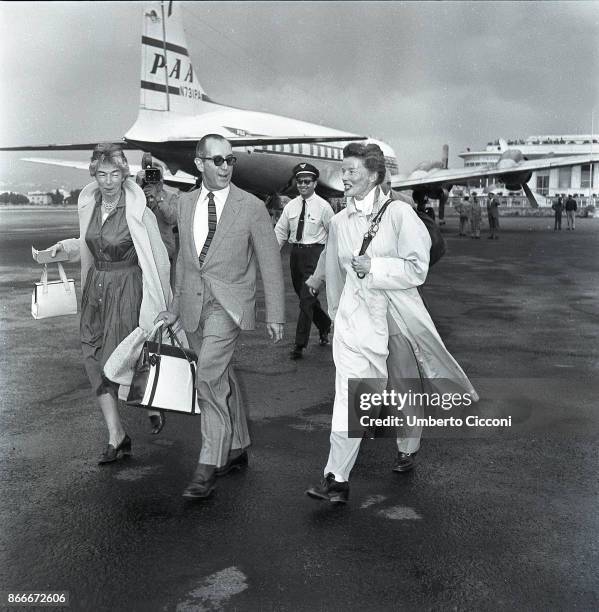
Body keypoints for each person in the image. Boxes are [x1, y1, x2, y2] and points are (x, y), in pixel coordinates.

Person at [304, 143, 477, 503]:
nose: (344, 176)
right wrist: (337, 312)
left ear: (374, 175)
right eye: (343, 169)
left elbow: (417, 267)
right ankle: (336, 478)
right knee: (350, 397)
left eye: (352, 170)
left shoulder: (399, 213)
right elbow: (335, 269)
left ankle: (407, 446)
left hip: (395, 315)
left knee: (403, 384)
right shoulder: (338, 222)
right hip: (357, 320)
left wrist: (377, 268)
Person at [156, 134, 285, 500]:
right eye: (218, 161)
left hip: (228, 305)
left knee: (209, 376)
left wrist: (275, 313)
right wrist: (176, 307)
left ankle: (207, 465)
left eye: (230, 160)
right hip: (194, 305)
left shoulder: (251, 206)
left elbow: (270, 261)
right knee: (222, 372)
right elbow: (183, 261)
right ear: (199, 163)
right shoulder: (185, 203)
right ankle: (239, 444)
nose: (226, 167)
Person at [48, 143, 174, 463]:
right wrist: (60, 248)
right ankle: (116, 435)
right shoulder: (90, 206)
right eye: (101, 173)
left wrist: (161, 302)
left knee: (117, 358)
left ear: (124, 174)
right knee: (92, 358)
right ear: (94, 174)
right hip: (96, 290)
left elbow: (158, 258)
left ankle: (150, 400)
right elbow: (90, 243)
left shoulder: (138, 211)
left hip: (127, 287)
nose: (107, 181)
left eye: (115, 173)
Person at [274, 163, 334, 360]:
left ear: (315, 183)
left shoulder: (324, 207)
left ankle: (299, 345)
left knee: (307, 299)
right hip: (296, 256)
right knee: (305, 298)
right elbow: (281, 232)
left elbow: (334, 235)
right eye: (299, 182)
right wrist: (271, 253)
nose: (303, 185)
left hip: (315, 255)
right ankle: (324, 325)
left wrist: (332, 261)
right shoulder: (291, 206)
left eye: (307, 182)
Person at [135, 162, 179, 281]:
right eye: (149, 175)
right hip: (143, 249)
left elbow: (172, 219)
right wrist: (138, 187)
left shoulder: (171, 196)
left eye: (156, 175)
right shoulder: (138, 195)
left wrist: (158, 198)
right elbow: (131, 215)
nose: (153, 178)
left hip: (164, 249)